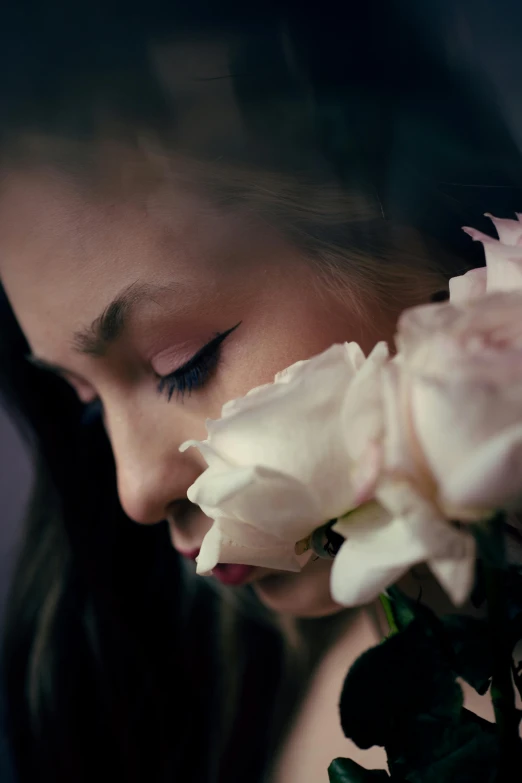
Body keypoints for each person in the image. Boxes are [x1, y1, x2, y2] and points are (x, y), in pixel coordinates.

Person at [1, 2, 521, 781]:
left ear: (392, 205)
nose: (137, 490)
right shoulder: (184, 693)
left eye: (185, 363)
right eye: (86, 403)